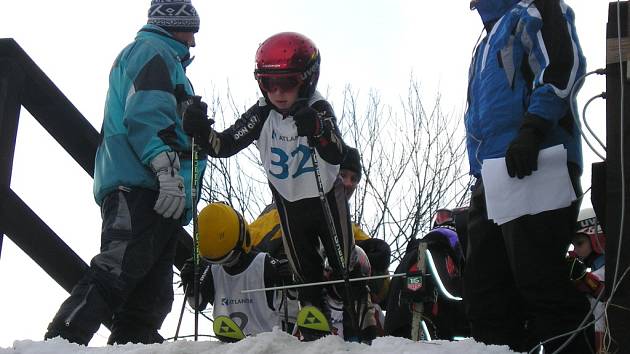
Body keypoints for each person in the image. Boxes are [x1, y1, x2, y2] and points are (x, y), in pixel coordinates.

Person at [44, 0, 205, 345]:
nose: (193, 41)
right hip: (142, 184)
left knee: (151, 294)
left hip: (159, 191)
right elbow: (147, 114)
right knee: (117, 270)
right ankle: (61, 342)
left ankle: (131, 345)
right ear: (172, 24)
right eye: (191, 30)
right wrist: (165, 169)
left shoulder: (164, 60)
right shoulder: (152, 53)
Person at [182, 32, 354, 341]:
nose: (278, 92)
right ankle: (314, 329)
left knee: (342, 266)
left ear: (307, 79)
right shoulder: (263, 113)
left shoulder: (318, 107)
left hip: (325, 197)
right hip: (288, 203)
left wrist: (318, 128)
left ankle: (357, 326)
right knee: (305, 272)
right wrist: (199, 130)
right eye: (268, 83)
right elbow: (225, 144)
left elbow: (337, 152)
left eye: (287, 83)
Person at [464, 0, 591, 352]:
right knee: (484, 294)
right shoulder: (486, 40)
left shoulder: (535, 8)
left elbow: (562, 65)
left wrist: (533, 128)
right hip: (492, 176)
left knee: (540, 283)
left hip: (537, 161)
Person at [179, 203, 293, 341]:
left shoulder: (263, 263)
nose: (227, 264)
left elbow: (290, 295)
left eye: (230, 257)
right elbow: (197, 303)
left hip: (267, 341)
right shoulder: (214, 270)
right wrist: (190, 283)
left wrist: (289, 277)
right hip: (230, 340)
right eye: (219, 260)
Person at [569, 208, 606, 352]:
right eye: (573, 245)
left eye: (579, 243)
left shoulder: (613, 268)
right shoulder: (597, 270)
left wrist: (580, 279)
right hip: (600, 337)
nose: (575, 251)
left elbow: (602, 289)